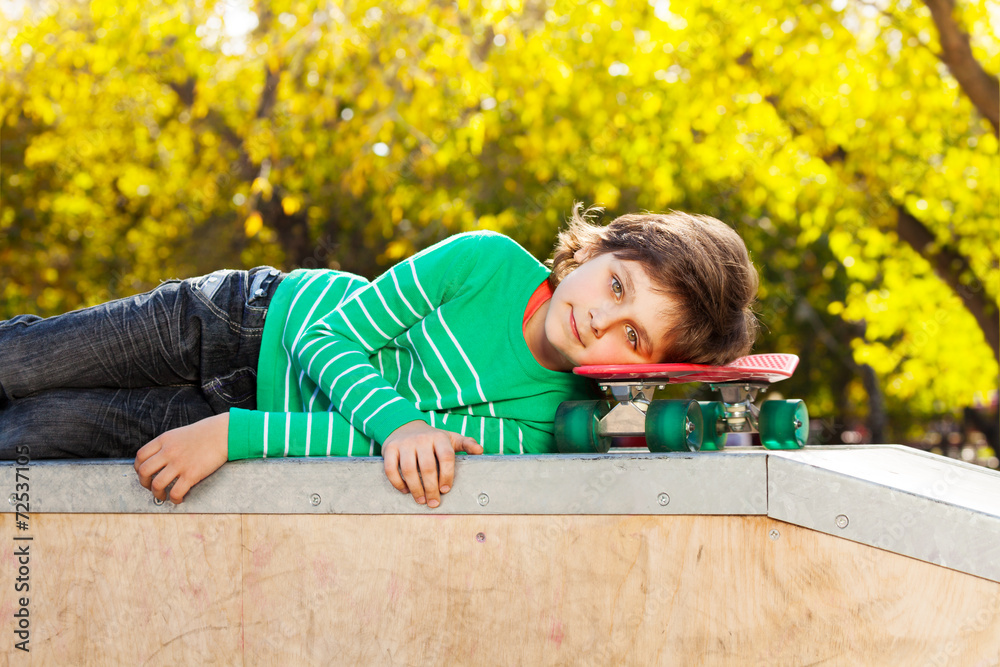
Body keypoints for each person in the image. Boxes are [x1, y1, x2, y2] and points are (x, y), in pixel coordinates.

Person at [0, 205, 759, 507]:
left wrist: (236, 433)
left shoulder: (545, 426)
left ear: (642, 368)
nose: (599, 316)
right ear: (595, 250)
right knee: (24, 363)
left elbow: (371, 452)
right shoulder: (486, 262)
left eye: (632, 334)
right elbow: (328, 337)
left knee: (32, 435)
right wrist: (399, 422)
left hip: (239, 418)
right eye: (616, 283)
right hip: (248, 320)